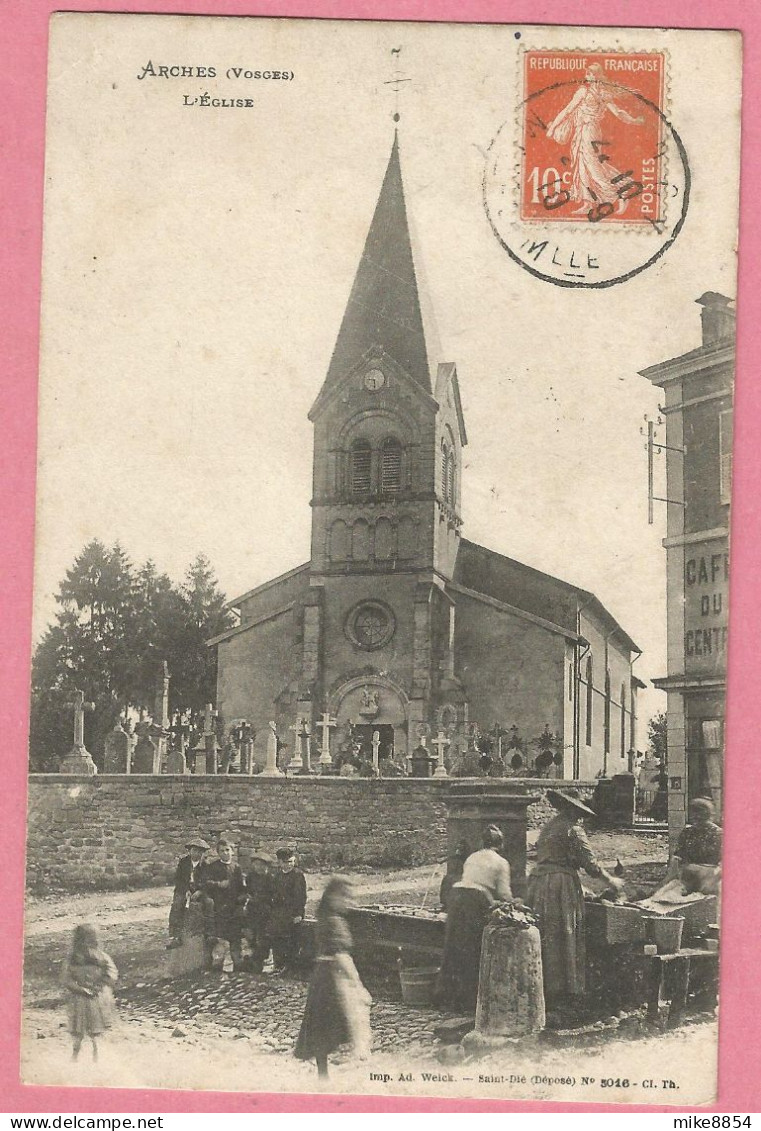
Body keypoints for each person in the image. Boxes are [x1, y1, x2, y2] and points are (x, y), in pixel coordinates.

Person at [527, 789, 622, 1011]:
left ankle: (543, 985)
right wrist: (612, 882)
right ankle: (564, 991)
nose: (580, 817)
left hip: (539, 881)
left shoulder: (549, 827)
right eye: (578, 812)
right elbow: (591, 865)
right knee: (564, 931)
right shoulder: (574, 830)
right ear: (573, 809)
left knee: (545, 932)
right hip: (560, 884)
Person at [294, 876, 371, 1079]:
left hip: (321, 974)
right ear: (333, 897)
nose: (350, 903)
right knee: (343, 1020)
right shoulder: (335, 922)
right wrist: (358, 984)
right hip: (333, 976)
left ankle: (323, 1073)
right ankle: (344, 1066)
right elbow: (341, 955)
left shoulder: (324, 918)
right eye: (346, 898)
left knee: (321, 1022)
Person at [545, 63, 645, 216]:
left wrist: (634, 121)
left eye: (592, 73)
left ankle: (621, 194)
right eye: (588, 73)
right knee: (582, 166)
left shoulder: (595, 93)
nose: (590, 76)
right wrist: (634, 120)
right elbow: (568, 110)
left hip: (589, 131)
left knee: (593, 167)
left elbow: (617, 112)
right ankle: (588, 203)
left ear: (598, 76)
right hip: (582, 131)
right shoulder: (587, 91)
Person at [436, 824, 513, 1012]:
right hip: (474, 900)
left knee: (453, 947)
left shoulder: (472, 857)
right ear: (500, 844)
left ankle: (445, 999)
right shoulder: (501, 862)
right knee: (472, 948)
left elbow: (469, 879)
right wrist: (514, 902)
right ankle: (469, 1001)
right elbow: (503, 893)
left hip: (456, 896)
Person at [61, 923, 118, 1061]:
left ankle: (93, 1056)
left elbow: (112, 973)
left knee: (91, 1030)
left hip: (92, 997)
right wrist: (84, 988)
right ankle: (78, 1056)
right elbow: (65, 978)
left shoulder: (100, 957)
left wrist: (97, 986)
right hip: (84, 998)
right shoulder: (73, 959)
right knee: (83, 1031)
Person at [201, 835, 246, 971]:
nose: (225, 853)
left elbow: (241, 887)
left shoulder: (236, 867)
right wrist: (218, 884)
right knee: (219, 938)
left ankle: (238, 966)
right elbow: (206, 883)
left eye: (227, 850)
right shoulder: (213, 867)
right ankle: (215, 966)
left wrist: (243, 897)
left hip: (234, 907)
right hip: (219, 907)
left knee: (235, 937)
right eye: (222, 851)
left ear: (232, 851)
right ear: (218, 852)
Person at [671, 797, 722, 893]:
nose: (697, 817)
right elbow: (678, 858)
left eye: (701, 813)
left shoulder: (718, 834)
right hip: (688, 877)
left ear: (709, 815)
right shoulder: (687, 833)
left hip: (710, 878)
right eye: (694, 813)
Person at [167, 836, 210, 949]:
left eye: (200, 851)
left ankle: (208, 934)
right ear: (190, 851)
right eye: (194, 850)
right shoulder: (183, 862)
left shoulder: (205, 865)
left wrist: (199, 891)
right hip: (183, 889)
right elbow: (179, 879)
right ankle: (174, 936)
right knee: (177, 904)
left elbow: (207, 882)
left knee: (208, 904)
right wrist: (186, 890)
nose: (196, 853)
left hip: (199, 891)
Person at [269, 847, 307, 973]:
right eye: (285, 862)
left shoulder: (298, 875)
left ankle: (291, 967)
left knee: (291, 939)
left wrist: (299, 914)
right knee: (277, 938)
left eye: (291, 861)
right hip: (279, 913)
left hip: (292, 913)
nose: (289, 865)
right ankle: (278, 965)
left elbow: (301, 897)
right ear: (279, 862)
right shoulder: (277, 876)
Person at [242, 851, 274, 973]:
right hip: (253, 910)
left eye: (261, 865)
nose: (259, 867)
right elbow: (248, 891)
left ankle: (259, 960)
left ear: (266, 866)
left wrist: (261, 900)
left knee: (263, 937)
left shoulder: (270, 878)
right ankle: (253, 959)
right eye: (256, 864)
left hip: (265, 911)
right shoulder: (251, 877)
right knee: (251, 935)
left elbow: (272, 896)